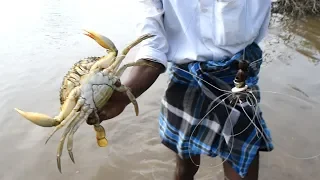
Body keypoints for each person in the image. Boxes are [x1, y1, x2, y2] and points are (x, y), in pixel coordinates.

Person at [87, 0, 274, 179]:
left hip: (238, 79)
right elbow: (152, 44)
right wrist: (124, 95)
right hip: (185, 80)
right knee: (185, 168)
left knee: (242, 166)